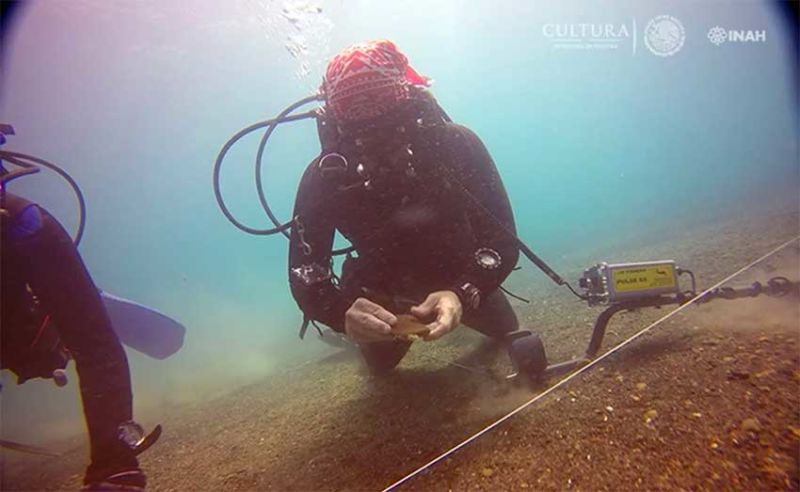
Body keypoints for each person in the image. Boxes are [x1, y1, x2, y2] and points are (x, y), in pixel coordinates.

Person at [288, 40, 521, 373]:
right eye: (352, 106)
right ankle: (356, 339)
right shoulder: (325, 177)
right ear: (334, 113)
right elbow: (307, 275)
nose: (370, 116)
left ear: (405, 92)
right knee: (379, 366)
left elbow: (502, 241)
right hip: (380, 296)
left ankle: (446, 308)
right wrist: (342, 314)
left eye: (379, 98)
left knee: (507, 329)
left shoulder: (456, 145)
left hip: (458, 275)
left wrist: (462, 291)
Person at [1, 190, 148, 491]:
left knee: (87, 338)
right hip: (22, 232)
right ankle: (115, 466)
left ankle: (115, 467)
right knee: (90, 338)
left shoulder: (21, 223)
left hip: (20, 230)